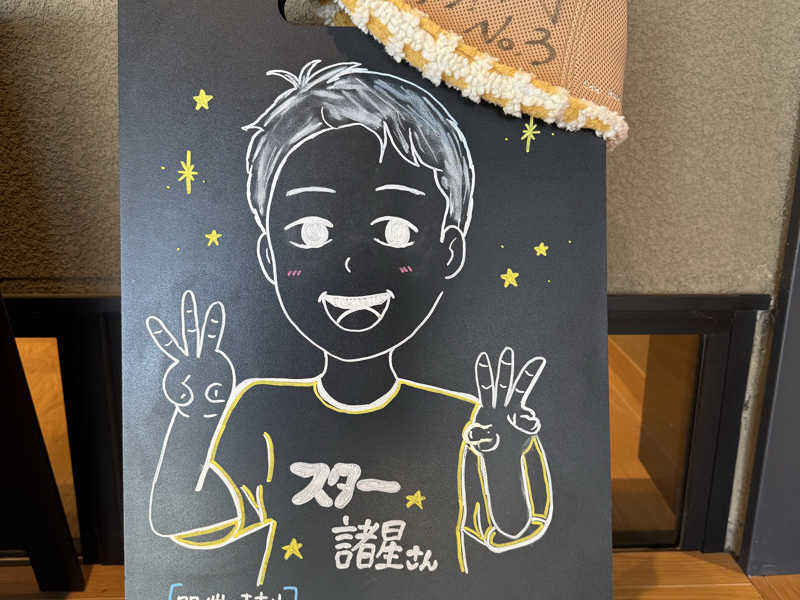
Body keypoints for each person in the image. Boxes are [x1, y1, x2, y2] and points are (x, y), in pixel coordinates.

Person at [146, 60, 552, 588]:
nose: (353, 263)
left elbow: (511, 528)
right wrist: (197, 413)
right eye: (310, 232)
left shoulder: (467, 423)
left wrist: (505, 457)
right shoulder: (263, 408)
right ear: (269, 256)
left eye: (397, 231)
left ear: (449, 251)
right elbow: (184, 520)